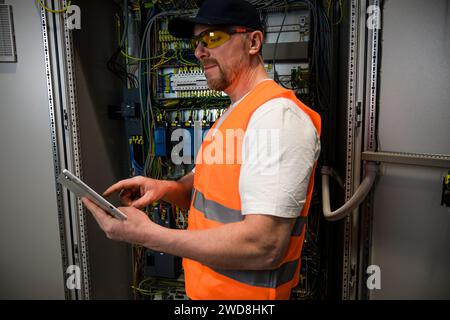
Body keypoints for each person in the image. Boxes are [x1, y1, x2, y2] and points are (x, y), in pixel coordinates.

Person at [82, 0, 321, 300]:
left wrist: (150, 236)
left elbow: (265, 245)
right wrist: (164, 188)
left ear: (253, 42)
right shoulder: (233, 115)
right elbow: (212, 200)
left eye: (212, 38)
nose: (198, 52)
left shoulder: (277, 118)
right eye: (197, 42)